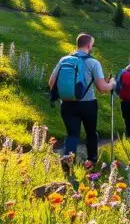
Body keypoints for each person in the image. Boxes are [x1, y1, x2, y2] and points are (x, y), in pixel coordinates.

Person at [48, 33, 115, 163]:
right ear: (89, 45)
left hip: (67, 104)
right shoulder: (93, 63)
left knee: (72, 135)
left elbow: (51, 82)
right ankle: (91, 161)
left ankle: (67, 165)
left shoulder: (64, 60)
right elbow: (102, 88)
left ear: (77, 44)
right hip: (88, 105)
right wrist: (112, 84)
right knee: (91, 133)